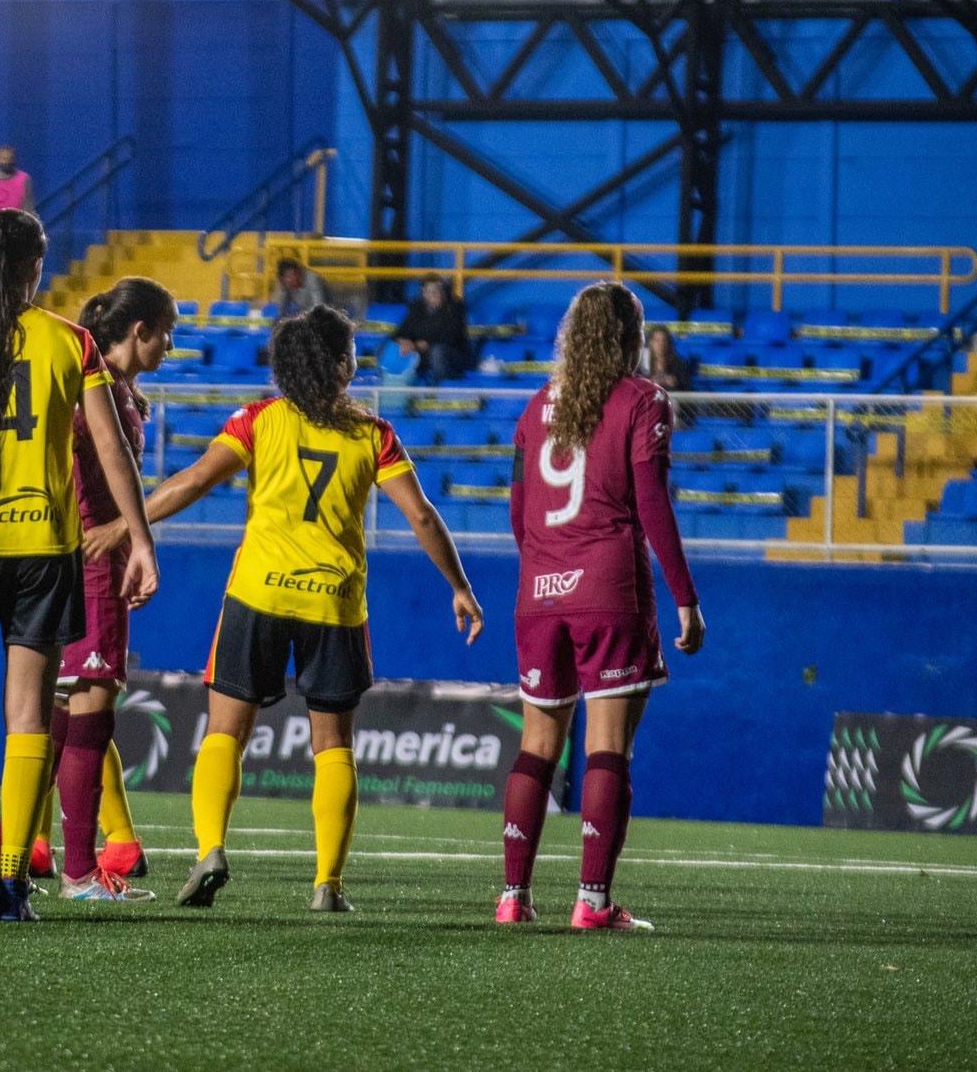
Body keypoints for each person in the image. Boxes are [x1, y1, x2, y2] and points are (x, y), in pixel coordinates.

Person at [137, 305, 483, 913]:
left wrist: (127, 522)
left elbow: (191, 481)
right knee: (333, 746)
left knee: (224, 733)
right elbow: (422, 515)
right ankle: (327, 883)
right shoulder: (372, 434)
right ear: (343, 364)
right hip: (335, 604)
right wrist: (459, 585)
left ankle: (211, 850)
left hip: (258, 593)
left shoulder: (259, 421)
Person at [0, 209, 160, 923]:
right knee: (28, 720)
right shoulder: (70, 342)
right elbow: (112, 451)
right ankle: (13, 883)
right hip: (47, 552)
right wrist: (139, 539)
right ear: (34, 269)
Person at [498, 281, 706, 932]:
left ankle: (513, 897)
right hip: (608, 589)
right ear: (628, 338)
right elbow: (652, 505)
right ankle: (591, 901)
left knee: (537, 744)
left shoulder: (537, 407)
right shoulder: (645, 400)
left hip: (538, 591)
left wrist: (544, 570)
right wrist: (685, 599)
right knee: (607, 745)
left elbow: (516, 512)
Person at [0, 276, 179, 901]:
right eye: (166, 332)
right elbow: (58, 459)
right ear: (139, 330)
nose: (170, 346)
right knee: (90, 705)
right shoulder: (96, 390)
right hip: (91, 562)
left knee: (65, 714)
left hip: (91, 556)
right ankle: (78, 872)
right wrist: (102, 530)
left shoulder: (118, 389)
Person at [392, 277, 472, 383]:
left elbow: (452, 336)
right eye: (428, 292)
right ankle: (393, 381)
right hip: (419, 352)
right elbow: (401, 331)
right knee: (388, 347)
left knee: (437, 352)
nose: (432, 295)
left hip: (449, 355)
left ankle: (439, 386)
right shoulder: (416, 307)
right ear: (423, 293)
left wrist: (427, 343)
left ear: (444, 293)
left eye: (436, 291)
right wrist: (403, 341)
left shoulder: (455, 307)